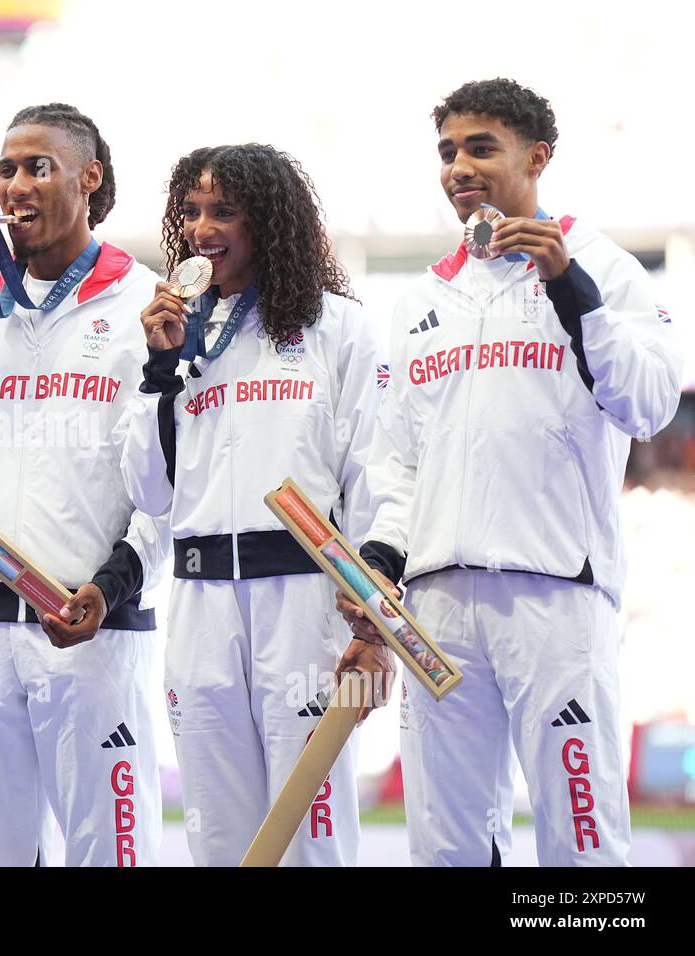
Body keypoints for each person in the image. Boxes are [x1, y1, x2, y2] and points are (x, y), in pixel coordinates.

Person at [338, 78, 683, 866]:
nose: (458, 167)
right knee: (446, 846)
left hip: (555, 592)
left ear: (538, 156)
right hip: (436, 607)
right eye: (448, 152)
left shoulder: (606, 268)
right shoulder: (425, 296)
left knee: (581, 839)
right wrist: (383, 561)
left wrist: (572, 288)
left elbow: (649, 404)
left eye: (480, 148)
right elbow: (398, 460)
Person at [0, 103, 170, 866]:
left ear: (89, 178)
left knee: (108, 856)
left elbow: (165, 488)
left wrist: (113, 587)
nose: (17, 183)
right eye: (7, 168)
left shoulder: (144, 300)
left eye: (38, 166)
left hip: (90, 628)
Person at [119, 143, 394, 866]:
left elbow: (375, 475)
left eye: (225, 212)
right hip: (201, 602)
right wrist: (158, 369)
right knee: (218, 834)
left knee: (311, 830)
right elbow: (149, 491)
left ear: (270, 222)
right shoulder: (170, 337)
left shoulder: (338, 326)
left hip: (305, 601)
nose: (203, 228)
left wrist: (375, 621)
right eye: (192, 212)